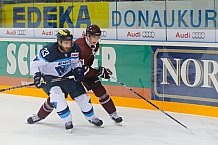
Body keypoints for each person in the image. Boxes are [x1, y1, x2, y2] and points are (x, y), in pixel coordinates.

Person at [27, 24, 122, 125]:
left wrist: (80, 70)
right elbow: (35, 64)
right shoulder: (54, 51)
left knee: (87, 95)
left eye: (97, 37)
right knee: (56, 97)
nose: (68, 46)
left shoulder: (78, 47)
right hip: (69, 74)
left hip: (74, 73)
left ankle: (102, 116)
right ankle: (40, 116)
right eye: (93, 37)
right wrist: (37, 75)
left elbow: (77, 63)